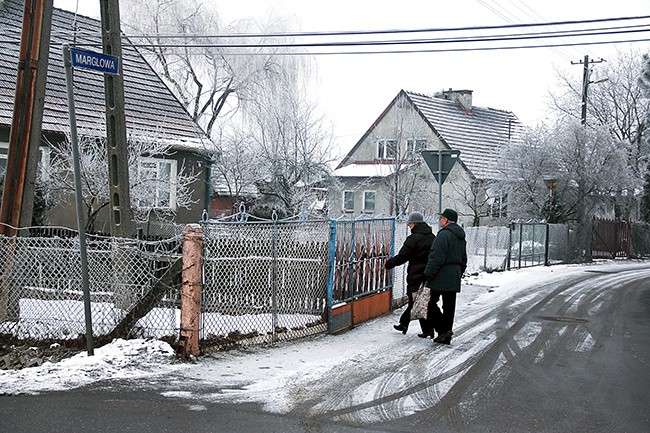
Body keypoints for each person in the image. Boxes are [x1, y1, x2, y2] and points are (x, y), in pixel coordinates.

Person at [384, 211, 435, 335]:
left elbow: (403, 256)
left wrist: (390, 263)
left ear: (414, 224)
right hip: (429, 274)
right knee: (420, 301)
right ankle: (425, 329)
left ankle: (405, 324)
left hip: (416, 274)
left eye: (409, 224)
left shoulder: (414, 238)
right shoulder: (432, 236)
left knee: (415, 301)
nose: (409, 226)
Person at [422, 208, 467, 345]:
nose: (440, 220)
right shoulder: (460, 237)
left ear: (447, 220)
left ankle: (443, 330)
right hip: (454, 274)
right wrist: (459, 272)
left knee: (430, 303)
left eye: (441, 218)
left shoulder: (444, 235)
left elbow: (436, 257)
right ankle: (445, 335)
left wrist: (428, 274)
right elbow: (464, 258)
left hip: (441, 274)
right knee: (449, 306)